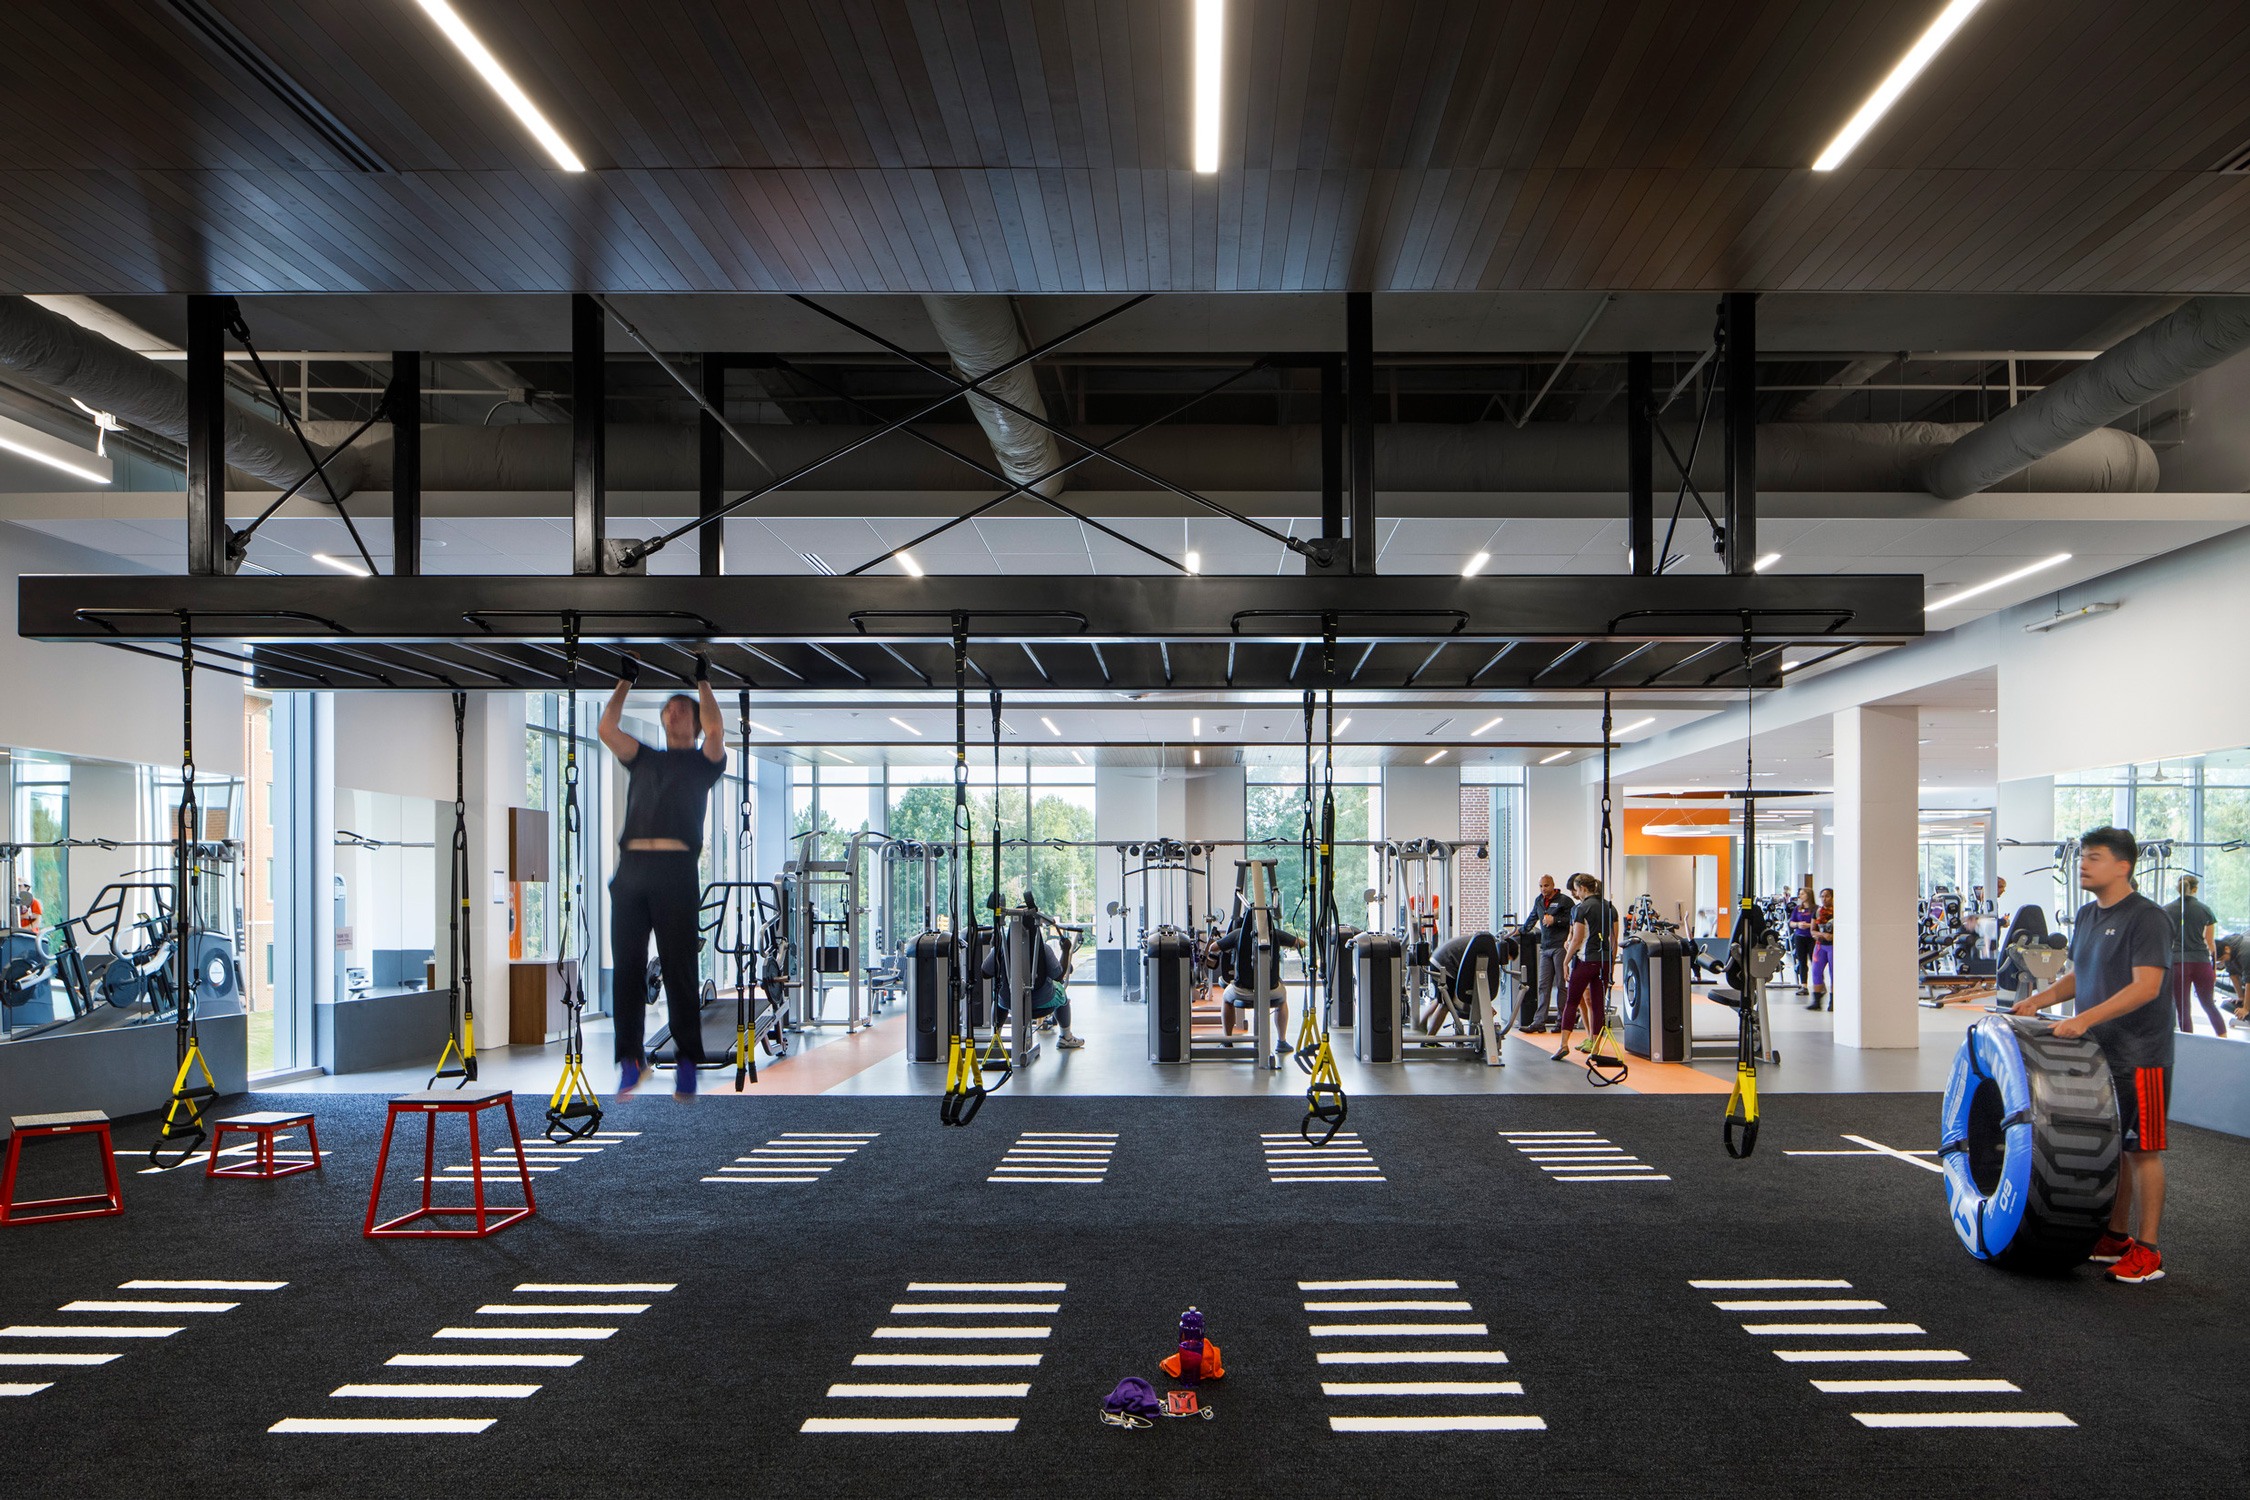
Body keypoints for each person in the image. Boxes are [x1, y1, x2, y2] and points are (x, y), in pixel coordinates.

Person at [2013, 827, 2173, 1285]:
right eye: (2082, 856)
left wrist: (2084, 1019)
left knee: (2143, 1150)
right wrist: (2039, 1001)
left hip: (2142, 1055)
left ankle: (2148, 1251)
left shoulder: (2148, 918)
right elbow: (2080, 975)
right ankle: (2116, 1237)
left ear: (2123, 866)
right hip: (2097, 1054)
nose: (2083, 864)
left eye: (2095, 857)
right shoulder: (2085, 915)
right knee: (2116, 1147)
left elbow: (2147, 987)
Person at [597, 651, 726, 1099]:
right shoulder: (643, 758)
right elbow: (607, 729)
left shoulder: (704, 763)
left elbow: (717, 731)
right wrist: (625, 682)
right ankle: (631, 1061)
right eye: (668, 709)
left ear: (694, 721)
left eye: (682, 709)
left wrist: (703, 682)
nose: (673, 713)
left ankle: (687, 1060)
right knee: (627, 970)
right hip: (631, 872)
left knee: (679, 968)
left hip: (676, 873)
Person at [981, 900, 1085, 1050]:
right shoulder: (1043, 948)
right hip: (1041, 1001)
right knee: (1061, 992)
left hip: (1009, 1001)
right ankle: (1066, 1037)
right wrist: (1065, 951)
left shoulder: (1002, 948)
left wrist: (994, 950)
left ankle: (995, 1037)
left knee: (998, 995)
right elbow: (1058, 976)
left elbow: (985, 973)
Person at [1210, 913, 1303, 1053]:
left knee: (1226, 998)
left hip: (1242, 991)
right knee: (1282, 998)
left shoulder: (1238, 934)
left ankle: (1227, 1041)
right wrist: (1281, 943)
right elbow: (1301, 943)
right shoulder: (1276, 934)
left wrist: (1231, 945)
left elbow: (1213, 948)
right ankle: (1282, 1041)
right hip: (1271, 991)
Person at [1550, 873, 1618, 1062]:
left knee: (1572, 1001)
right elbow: (1614, 940)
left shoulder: (1581, 909)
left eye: (1576, 889)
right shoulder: (1610, 908)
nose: (1576, 893)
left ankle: (1563, 1044)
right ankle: (1596, 1047)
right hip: (1603, 961)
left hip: (1585, 960)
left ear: (1583, 888)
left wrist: (1566, 961)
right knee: (1598, 1005)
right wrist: (1611, 965)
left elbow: (1577, 939)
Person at [2161, 874, 2227, 1036]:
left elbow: (2163, 941)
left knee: (2183, 1008)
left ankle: (2188, 1041)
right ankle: (2223, 1037)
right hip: (2201, 963)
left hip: (2177, 964)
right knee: (2209, 1004)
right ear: (2195, 889)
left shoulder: (2166, 910)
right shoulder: (2205, 910)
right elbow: (2210, 943)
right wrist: (2213, 969)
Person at [1519, 875, 1571, 1031]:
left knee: (1561, 985)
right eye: (1541, 886)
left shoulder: (1564, 901)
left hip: (1560, 947)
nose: (1543, 889)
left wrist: (1555, 920)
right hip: (1545, 948)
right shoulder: (1539, 901)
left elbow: (1573, 921)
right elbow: (1532, 918)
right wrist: (1520, 931)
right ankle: (1539, 1022)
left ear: (1553, 885)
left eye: (1546, 885)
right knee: (1543, 985)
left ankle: (1562, 1022)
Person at [1807, 888, 1835, 1011]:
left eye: (1827, 896)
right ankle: (1816, 1000)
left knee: (1834, 973)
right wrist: (1823, 935)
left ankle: (1833, 1001)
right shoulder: (1817, 912)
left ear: (1832, 897)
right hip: (1820, 946)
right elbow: (1812, 930)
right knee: (1816, 971)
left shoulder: (1837, 912)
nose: (1824, 899)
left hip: (1833, 946)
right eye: (1822, 896)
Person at [1788, 886, 1815, 994]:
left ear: (1808, 895)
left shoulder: (1816, 909)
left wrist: (1808, 925)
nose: (1800, 896)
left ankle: (1819, 984)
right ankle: (1804, 986)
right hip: (1800, 937)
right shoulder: (1797, 909)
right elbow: (1791, 922)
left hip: (1812, 938)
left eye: (1802, 894)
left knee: (1815, 962)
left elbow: (1819, 923)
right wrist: (1798, 924)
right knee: (1802, 961)